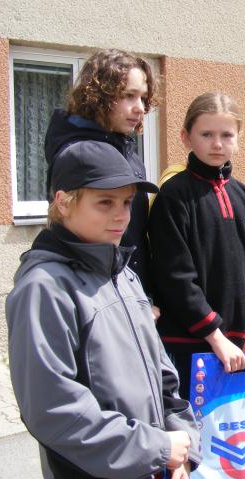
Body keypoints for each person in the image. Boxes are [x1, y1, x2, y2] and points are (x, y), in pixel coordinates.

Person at [6, 140, 199, 479]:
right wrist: (157, 447)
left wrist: (183, 446)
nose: (121, 216)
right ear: (63, 202)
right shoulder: (44, 288)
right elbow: (55, 411)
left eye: (127, 202)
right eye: (105, 202)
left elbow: (163, 377)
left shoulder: (122, 272)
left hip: (158, 472)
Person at [149, 92, 245, 397]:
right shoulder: (173, 197)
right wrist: (215, 338)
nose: (217, 143)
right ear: (186, 137)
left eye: (226, 135)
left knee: (238, 437)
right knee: (195, 438)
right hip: (192, 347)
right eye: (206, 134)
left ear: (238, 137)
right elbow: (176, 278)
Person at [44, 48, 157, 297]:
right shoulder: (79, 153)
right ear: (99, 95)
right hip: (94, 292)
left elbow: (134, 235)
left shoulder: (127, 151)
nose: (140, 108)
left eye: (143, 98)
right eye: (129, 96)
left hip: (132, 291)